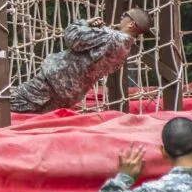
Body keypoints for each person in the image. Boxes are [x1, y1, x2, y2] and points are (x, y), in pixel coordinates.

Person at [10, 8, 151, 113]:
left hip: (53, 81)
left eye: (125, 15)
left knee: (10, 105)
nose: (121, 17)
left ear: (132, 24)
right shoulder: (125, 50)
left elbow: (72, 37)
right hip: (71, 93)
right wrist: (97, 31)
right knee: (35, 118)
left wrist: (85, 23)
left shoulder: (111, 36)